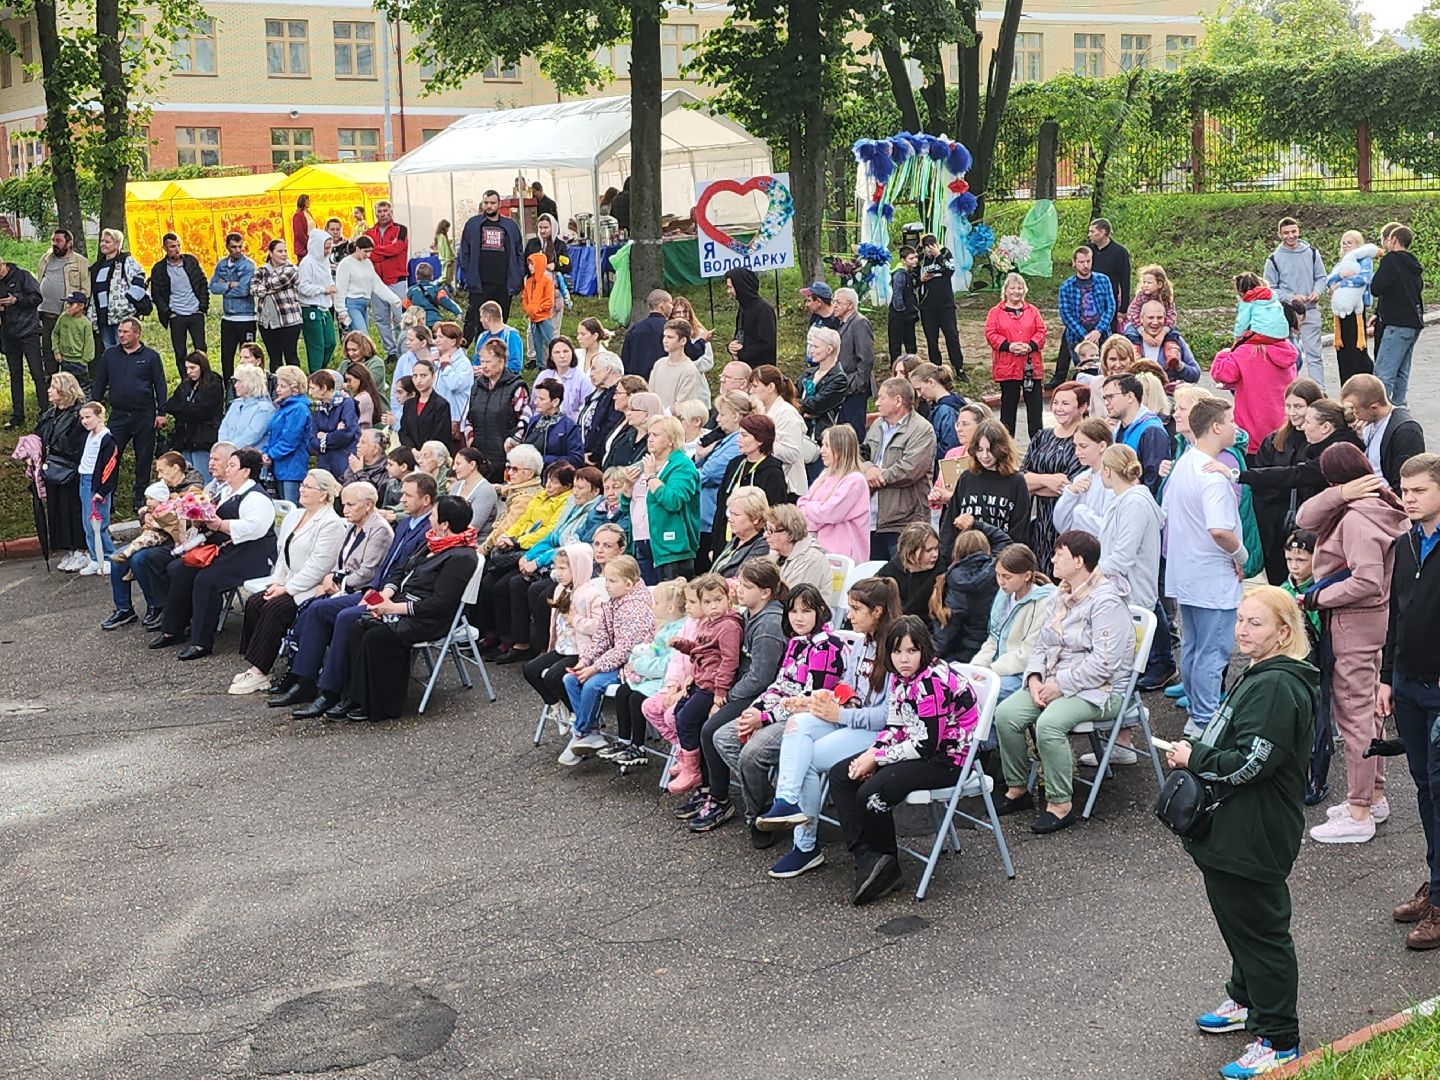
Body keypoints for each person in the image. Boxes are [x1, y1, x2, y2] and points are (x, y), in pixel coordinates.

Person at [1169, 587, 1316, 1080]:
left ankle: (1278, 1039)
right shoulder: (1262, 672)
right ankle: (1245, 998)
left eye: (1255, 623)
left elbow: (1254, 761)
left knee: (1262, 933)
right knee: (1240, 924)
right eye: (1240, 620)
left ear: (1284, 631)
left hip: (1255, 834)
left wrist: (1197, 759)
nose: (1241, 631)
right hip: (1233, 829)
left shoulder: (1278, 686)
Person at [1294, 445, 1407, 844]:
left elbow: (1367, 581)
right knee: (1368, 710)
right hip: (1369, 624)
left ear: (1333, 479)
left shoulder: (1359, 520)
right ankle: (1373, 796)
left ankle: (1359, 810)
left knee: (1354, 713)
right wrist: (1342, 494)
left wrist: (1316, 598)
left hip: (1354, 625)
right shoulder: (1371, 507)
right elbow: (1306, 518)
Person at [827, 616, 980, 903]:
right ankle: (868, 857)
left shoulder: (932, 682)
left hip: (947, 759)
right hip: (916, 748)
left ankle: (888, 863)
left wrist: (878, 758)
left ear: (925, 649)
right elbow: (895, 725)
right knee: (842, 775)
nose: (904, 659)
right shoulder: (900, 677)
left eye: (912, 651)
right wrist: (873, 752)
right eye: (897, 652)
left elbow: (926, 744)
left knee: (872, 792)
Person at [993, 529, 1134, 834]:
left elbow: (1105, 664)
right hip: (1057, 680)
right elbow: (1041, 645)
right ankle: (1018, 789)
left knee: (1049, 724)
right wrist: (1034, 678)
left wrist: (1060, 684)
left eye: (1060, 553)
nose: (1052, 557)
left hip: (1102, 690)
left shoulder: (1107, 601)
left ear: (1079, 561)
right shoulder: (1062, 592)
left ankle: (1060, 804)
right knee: (1005, 714)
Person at [279, 472, 439, 716]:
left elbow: (396, 571)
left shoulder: (424, 528)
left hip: (391, 595)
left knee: (345, 616)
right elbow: (385, 568)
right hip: (378, 588)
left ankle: (330, 691)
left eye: (407, 495)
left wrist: (373, 591)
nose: (401, 499)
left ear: (425, 500)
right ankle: (304, 680)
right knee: (316, 609)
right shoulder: (406, 522)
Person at [340, 494, 478, 723]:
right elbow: (401, 568)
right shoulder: (432, 541)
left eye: (433, 515)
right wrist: (386, 595)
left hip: (429, 617)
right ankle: (356, 695)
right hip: (402, 602)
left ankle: (380, 704)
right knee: (358, 628)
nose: (430, 518)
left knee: (376, 636)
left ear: (445, 524)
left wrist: (394, 608)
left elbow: (440, 603)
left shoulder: (462, 557)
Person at [1380, 453, 1440, 948]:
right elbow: (1396, 617)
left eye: (1419, 489)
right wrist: (1385, 678)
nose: (1408, 497)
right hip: (1406, 684)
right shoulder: (1405, 544)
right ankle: (1436, 881)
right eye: (1404, 488)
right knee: (1422, 787)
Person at [683, 560, 789, 831]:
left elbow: (761, 677)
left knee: (711, 730)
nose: (738, 590)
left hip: (759, 692)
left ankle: (720, 800)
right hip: (738, 685)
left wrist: (727, 696)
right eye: (740, 583)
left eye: (747, 586)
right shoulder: (749, 614)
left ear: (765, 593)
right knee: (692, 716)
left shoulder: (769, 626)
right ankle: (709, 788)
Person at [1164, 398, 1247, 740]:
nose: (1235, 427)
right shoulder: (1211, 477)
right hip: (1213, 576)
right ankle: (1205, 719)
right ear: (1215, 426)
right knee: (1213, 653)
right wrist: (1241, 555)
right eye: (1230, 420)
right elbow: (1220, 530)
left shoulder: (1185, 463)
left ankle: (1196, 716)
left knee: (1194, 648)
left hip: (1186, 572)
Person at [151, 447, 279, 660]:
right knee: (181, 569)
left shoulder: (256, 497)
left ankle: (202, 642)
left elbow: (255, 528)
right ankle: (173, 628)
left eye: (232, 465)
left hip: (251, 554)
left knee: (206, 580)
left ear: (246, 471)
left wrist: (221, 524)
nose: (227, 469)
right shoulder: (227, 490)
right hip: (225, 549)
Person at [227, 469, 348, 694]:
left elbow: (318, 567)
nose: (301, 489)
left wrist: (287, 589)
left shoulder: (330, 523)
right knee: (256, 602)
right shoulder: (297, 516)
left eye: (308, 487)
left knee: (275, 608)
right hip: (290, 581)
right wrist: (277, 583)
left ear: (323, 495)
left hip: (312, 587)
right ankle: (256, 663)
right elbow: (283, 554)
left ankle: (259, 671)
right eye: (302, 484)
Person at [1238, 396, 1365, 581]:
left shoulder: (1336, 454)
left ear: (1326, 427)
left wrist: (1243, 476)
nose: (1302, 426)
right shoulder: (1333, 446)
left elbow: (1297, 474)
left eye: (1307, 421)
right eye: (1288, 406)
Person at [559, 555, 656, 761]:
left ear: (628, 584)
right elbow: (602, 637)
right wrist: (584, 661)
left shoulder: (634, 609)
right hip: (612, 659)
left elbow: (624, 650)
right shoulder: (614, 603)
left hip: (631, 664)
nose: (607, 586)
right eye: (606, 581)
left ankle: (579, 733)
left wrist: (594, 669)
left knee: (592, 684)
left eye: (612, 581)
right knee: (570, 679)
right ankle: (591, 731)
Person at [1099, 442, 1174, 703]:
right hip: (1127, 585)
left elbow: (1123, 554)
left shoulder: (1134, 504)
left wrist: (1093, 576)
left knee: (1133, 645)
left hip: (1131, 586)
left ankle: (1160, 665)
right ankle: (1161, 663)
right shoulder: (1125, 499)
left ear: (1108, 471)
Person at [92, 317, 168, 514]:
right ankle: (108, 497)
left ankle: (140, 499)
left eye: (126, 332)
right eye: (120, 332)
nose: (122, 335)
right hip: (118, 415)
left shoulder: (150, 356)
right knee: (111, 456)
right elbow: (100, 382)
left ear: (137, 333)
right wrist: (94, 408)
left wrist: (161, 412)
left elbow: (160, 384)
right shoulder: (110, 355)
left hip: (144, 415)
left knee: (143, 459)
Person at [863, 376, 937, 561]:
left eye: (882, 398)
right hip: (873, 519)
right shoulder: (877, 426)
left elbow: (910, 469)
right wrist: (868, 469)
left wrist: (877, 477)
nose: (877, 403)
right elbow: (862, 454)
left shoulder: (922, 430)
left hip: (904, 522)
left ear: (898, 401)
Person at [971, 544, 1056, 701]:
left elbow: (1027, 654)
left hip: (1025, 673)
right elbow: (993, 639)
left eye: (1007, 577)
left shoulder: (1043, 603)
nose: (1001, 582)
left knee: (987, 693)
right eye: (998, 575)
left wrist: (990, 670)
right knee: (966, 687)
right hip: (999, 668)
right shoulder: (1003, 595)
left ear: (1027, 575)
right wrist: (977, 667)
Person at [1211, 309, 1301, 453]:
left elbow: (1221, 373)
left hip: (1252, 434)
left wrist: (1225, 353)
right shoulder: (1288, 350)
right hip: (1283, 431)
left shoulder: (1245, 352)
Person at [941, 419, 1030, 559]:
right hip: (965, 560)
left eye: (990, 450)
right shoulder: (967, 478)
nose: (985, 456)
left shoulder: (1016, 481)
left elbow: (1019, 531)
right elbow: (950, 523)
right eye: (980, 450)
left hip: (1001, 561)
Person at [1021, 382, 1086, 570]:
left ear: (1082, 407)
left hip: (1068, 520)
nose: (1059, 408)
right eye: (1056, 403)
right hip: (1040, 521)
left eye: (1065, 404)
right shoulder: (1043, 436)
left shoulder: (1084, 440)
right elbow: (1020, 478)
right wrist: (1046, 480)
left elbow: (1070, 486)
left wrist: (1035, 482)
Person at [713, 412, 790, 560]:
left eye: (744, 435)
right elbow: (721, 505)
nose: (739, 440)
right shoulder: (735, 464)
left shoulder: (772, 471)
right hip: (726, 540)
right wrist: (714, 545)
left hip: (756, 544)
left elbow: (775, 512)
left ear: (760, 439)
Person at [634, 415, 701, 582]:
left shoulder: (682, 465)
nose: (650, 439)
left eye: (656, 435)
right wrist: (627, 491)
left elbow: (674, 500)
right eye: (649, 434)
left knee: (670, 602)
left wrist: (651, 478)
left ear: (671, 439)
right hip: (644, 541)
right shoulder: (648, 463)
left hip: (673, 549)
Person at [1264, 216, 1328, 388]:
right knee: (1289, 355)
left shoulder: (1312, 253)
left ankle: (1319, 390)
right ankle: (1289, 389)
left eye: (1293, 231)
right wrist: (1290, 297)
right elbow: (1270, 288)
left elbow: (1321, 277)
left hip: (1310, 309)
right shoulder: (1273, 259)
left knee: (1314, 354)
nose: (1291, 236)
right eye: (1286, 233)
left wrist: (1317, 291)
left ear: (1298, 231)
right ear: (1279, 234)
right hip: (1287, 313)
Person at [36, 371, 88, 572]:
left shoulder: (78, 414)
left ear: (65, 390)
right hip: (52, 469)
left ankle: (81, 550)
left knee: (73, 510)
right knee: (57, 511)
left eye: (53, 387)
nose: (49, 390)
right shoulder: (49, 415)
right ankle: (68, 548)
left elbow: (78, 444)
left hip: (71, 469)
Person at [797, 423, 870, 565]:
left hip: (841, 557)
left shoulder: (855, 480)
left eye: (827, 446)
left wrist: (811, 510)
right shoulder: (825, 474)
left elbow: (830, 513)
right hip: (817, 552)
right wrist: (816, 511)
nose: (821, 451)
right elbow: (801, 504)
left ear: (841, 448)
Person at [985, 272, 1047, 437]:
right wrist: (1009, 346)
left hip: (1031, 366)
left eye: (1020, 288)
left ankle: (1037, 446)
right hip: (1007, 366)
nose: (1016, 291)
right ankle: (1006, 446)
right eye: (1012, 288)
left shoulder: (1033, 311)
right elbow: (991, 334)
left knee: (1035, 410)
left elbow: (1041, 331)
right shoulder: (995, 312)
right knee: (1008, 408)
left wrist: (1030, 345)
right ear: (1005, 290)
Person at [1339, 373, 1426, 490]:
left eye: (1356, 412)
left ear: (1374, 408)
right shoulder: (1365, 424)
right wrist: (1356, 438)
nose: (1353, 417)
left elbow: (1406, 480)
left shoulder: (1405, 431)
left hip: (1387, 500)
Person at [1370, 225, 1425, 408]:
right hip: (1413, 322)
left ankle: (1381, 411)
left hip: (1397, 323)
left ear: (1393, 240)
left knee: (1384, 371)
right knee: (1402, 369)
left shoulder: (1391, 260)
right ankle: (1399, 405)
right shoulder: (1413, 264)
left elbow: (1376, 287)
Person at [932, 529, 1003, 662]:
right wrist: (977, 524)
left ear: (957, 551)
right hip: (994, 647)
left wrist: (931, 653)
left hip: (964, 651)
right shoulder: (998, 573)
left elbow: (951, 623)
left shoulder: (955, 580)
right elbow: (1004, 540)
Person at [459, 189, 526, 330]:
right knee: (476, 319)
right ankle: (476, 346)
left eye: (492, 203)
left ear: (499, 204)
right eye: (486, 203)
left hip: (503, 282)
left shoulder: (510, 226)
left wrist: (519, 275)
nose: (489, 206)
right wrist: (467, 273)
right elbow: (464, 251)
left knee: (501, 318)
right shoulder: (473, 224)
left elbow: (519, 252)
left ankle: (498, 346)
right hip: (479, 282)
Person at [1055, 246, 1115, 390]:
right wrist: (1084, 335)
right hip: (1077, 337)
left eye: (1088, 261)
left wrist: (1099, 330)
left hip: (1102, 335)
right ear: (1074, 262)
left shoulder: (1103, 280)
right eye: (1081, 262)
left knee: (1106, 371)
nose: (1086, 265)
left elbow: (1111, 306)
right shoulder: (1067, 286)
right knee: (1084, 373)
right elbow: (1066, 314)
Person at [0, 250, 46, 431]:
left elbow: (37, 297)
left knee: (37, 373)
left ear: (4, 265)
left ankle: (45, 411)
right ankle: (17, 415)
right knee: (15, 375)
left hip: (28, 331)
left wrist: (15, 300)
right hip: (8, 334)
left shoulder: (23, 276)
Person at [1102, 373, 1169, 497]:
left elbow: (1154, 482)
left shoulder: (1151, 430)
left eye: (1110, 397)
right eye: (1104, 398)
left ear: (1130, 397)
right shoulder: (1118, 429)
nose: (1106, 403)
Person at [149, 232, 209, 363]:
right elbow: (157, 294)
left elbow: (202, 283)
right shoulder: (159, 269)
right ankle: (185, 380)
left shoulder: (191, 261)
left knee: (201, 350)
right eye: (172, 246)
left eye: (178, 246)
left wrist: (202, 307)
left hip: (195, 312)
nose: (176, 249)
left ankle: (205, 379)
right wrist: (168, 313)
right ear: (164, 248)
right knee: (180, 352)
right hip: (176, 314)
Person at [35, 228, 89, 374]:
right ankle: (52, 384)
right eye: (53, 240)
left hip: (68, 316)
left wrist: (75, 309)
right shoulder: (46, 259)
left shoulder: (80, 262)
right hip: (46, 316)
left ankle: (70, 386)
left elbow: (85, 290)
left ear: (69, 243)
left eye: (58, 241)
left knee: (68, 354)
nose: (54, 244)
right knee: (48, 351)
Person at [165, 351, 225, 483]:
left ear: (202, 366)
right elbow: (170, 405)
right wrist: (187, 408)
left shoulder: (213, 383)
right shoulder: (186, 384)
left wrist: (183, 408)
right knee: (189, 479)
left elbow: (202, 411)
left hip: (203, 438)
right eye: (187, 368)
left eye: (193, 368)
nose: (189, 372)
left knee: (203, 477)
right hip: (185, 439)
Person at [750, 364, 809, 497]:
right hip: (767, 480)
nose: (751, 391)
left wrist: (761, 442)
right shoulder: (762, 410)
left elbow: (792, 452)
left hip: (788, 487)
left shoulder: (787, 414)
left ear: (771, 387)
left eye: (755, 386)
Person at [75, 400, 119, 575]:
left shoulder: (107, 439)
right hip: (84, 479)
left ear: (100, 416)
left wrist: (102, 490)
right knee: (88, 523)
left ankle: (108, 557)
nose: (85, 421)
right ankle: (95, 558)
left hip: (96, 483)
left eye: (88, 417)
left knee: (98, 523)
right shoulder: (88, 435)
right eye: (82, 418)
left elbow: (110, 467)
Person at [1328, 230, 1377, 383]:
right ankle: (1346, 385)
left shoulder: (1364, 261)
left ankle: (1365, 384)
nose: (1346, 245)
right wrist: (1336, 282)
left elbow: (1363, 279)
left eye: (1350, 242)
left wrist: (1341, 283)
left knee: (1357, 350)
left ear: (1358, 245)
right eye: (1344, 242)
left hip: (1356, 311)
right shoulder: (1340, 264)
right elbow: (1330, 281)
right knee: (1343, 351)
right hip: (1340, 313)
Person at [363, 201, 409, 361]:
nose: (383, 213)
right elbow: (367, 254)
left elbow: (397, 249)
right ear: (375, 213)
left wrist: (377, 250)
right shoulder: (368, 232)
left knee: (400, 317)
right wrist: (385, 251)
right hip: (376, 282)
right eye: (379, 211)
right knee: (381, 318)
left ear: (391, 211)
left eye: (385, 210)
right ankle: (391, 351)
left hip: (397, 279)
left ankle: (404, 348)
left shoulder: (401, 229)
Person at [260, 366, 313, 503]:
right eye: (278, 385)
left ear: (294, 388)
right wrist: (265, 452)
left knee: (290, 506)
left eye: (283, 386)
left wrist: (270, 454)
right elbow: (273, 435)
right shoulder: (284, 407)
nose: (278, 389)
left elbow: (290, 439)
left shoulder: (299, 409)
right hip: (279, 465)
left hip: (292, 468)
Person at [88, 228, 146, 352]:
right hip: (103, 317)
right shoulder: (97, 266)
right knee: (110, 352)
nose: (103, 244)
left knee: (126, 349)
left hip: (121, 316)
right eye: (102, 241)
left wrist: (130, 299)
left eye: (107, 242)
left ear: (117, 244)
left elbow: (139, 276)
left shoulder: (126, 260)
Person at [1054, 418, 1115, 536]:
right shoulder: (1081, 479)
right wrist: (1070, 494)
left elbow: (1111, 530)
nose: (1077, 452)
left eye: (1083, 446)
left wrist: (1081, 514)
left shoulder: (1114, 481)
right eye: (1076, 446)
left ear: (1102, 446)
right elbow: (1062, 526)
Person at [208, 233, 257, 380]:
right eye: (233, 247)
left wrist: (224, 288)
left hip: (246, 316)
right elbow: (213, 287)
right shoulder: (222, 264)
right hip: (228, 318)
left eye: (240, 246)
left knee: (248, 358)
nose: (237, 250)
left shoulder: (248, 265)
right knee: (226, 357)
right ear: (227, 247)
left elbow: (243, 290)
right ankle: (228, 387)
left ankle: (249, 384)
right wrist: (229, 284)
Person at [251, 239, 303, 370]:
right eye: (280, 251)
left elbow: (280, 282)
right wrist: (268, 288)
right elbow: (253, 289)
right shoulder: (261, 270)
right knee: (274, 358)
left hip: (289, 321)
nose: (284, 254)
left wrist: (265, 287)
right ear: (271, 252)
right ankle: (276, 386)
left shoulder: (292, 269)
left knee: (291, 356)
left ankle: (296, 386)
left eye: (285, 251)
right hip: (267, 323)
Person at [1123, 300, 1201, 386]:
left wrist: (1179, 366)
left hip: (1168, 396)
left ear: (1165, 319)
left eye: (1159, 318)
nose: (1155, 322)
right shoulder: (1128, 341)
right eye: (1151, 317)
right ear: (1141, 318)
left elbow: (1195, 375)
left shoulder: (1176, 340)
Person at [877, 522, 944, 619]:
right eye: (929, 550)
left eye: (936, 548)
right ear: (910, 551)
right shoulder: (888, 573)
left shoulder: (942, 569)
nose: (935, 554)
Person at [917, 234, 963, 370]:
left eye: (932, 247)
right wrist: (921, 279)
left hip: (946, 305)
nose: (929, 251)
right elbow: (913, 277)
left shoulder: (946, 253)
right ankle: (936, 367)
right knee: (931, 339)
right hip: (927, 306)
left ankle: (958, 367)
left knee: (952, 336)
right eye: (926, 248)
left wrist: (938, 256)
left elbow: (950, 271)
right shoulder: (921, 259)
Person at [297, 227, 339, 373]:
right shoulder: (307, 264)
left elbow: (327, 279)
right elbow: (303, 287)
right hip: (311, 308)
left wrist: (332, 286)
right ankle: (315, 372)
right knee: (317, 344)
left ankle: (322, 368)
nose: (328, 251)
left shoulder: (325, 261)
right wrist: (323, 289)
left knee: (330, 342)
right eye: (325, 248)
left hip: (325, 307)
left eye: (329, 248)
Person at [763, 503, 829, 593]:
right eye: (765, 529)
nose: (765, 535)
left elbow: (794, 598)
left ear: (788, 532)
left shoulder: (812, 559)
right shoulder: (775, 555)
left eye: (770, 530)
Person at [305, 369, 358, 479]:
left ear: (324, 388)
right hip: (324, 463)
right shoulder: (317, 407)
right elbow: (312, 438)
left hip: (343, 461)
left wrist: (324, 437)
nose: (310, 393)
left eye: (312, 388)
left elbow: (346, 434)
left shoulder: (346, 403)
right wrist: (334, 433)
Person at [711, 486, 771, 579]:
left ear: (755, 518)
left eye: (736, 514)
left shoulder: (762, 545)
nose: (730, 519)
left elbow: (742, 578)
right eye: (730, 514)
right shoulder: (736, 540)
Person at [648, 318, 706, 413]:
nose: (665, 341)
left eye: (670, 337)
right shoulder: (659, 364)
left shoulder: (689, 370)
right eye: (664, 336)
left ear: (683, 341)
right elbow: (651, 394)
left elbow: (683, 405)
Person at [578, 353, 624, 466]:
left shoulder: (619, 395)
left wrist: (594, 454)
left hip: (603, 460)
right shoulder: (602, 394)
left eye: (594, 368)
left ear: (608, 369)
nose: (591, 374)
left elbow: (609, 427)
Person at [534, 336, 593, 425]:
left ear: (572, 354)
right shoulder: (543, 376)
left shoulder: (583, 380)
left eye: (566, 351)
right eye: (557, 352)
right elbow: (533, 403)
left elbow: (586, 410)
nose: (562, 356)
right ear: (551, 357)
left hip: (570, 429)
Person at [724, 268, 777, 367]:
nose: (728, 291)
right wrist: (731, 346)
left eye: (730, 287)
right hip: (744, 366)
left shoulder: (763, 310)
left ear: (740, 286)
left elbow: (767, 345)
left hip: (761, 370)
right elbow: (741, 335)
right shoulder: (743, 308)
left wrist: (741, 353)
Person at [1087, 217, 1131, 333]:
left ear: (1102, 232)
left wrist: (1123, 308)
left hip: (1109, 301)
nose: (1089, 235)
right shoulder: (1088, 250)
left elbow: (1125, 280)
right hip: (1088, 299)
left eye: (1092, 231)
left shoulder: (1120, 252)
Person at [219, 364, 276, 452]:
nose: (235, 386)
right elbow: (224, 427)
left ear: (249, 383)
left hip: (250, 458)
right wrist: (222, 447)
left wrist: (230, 449)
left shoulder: (264, 409)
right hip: (229, 457)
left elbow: (252, 435)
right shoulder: (235, 404)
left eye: (239, 381)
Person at [618, 289, 670, 379]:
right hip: (663, 379)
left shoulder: (634, 329)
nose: (672, 307)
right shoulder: (669, 328)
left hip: (637, 381)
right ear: (662, 305)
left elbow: (625, 359)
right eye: (670, 303)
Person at [887, 246, 920, 365]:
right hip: (900, 314)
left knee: (910, 340)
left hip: (907, 313)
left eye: (915, 257)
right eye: (911, 258)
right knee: (897, 342)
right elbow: (897, 294)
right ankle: (896, 366)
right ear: (903, 260)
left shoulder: (907, 272)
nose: (915, 260)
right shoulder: (899, 274)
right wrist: (902, 310)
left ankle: (911, 365)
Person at [472, 300, 525, 375]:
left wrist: (491, 370)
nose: (480, 320)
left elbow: (515, 365)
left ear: (487, 318)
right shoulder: (482, 336)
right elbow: (476, 361)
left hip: (505, 382)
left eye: (481, 317)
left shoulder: (511, 335)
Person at [406, 262, 462, 329]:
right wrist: (458, 312)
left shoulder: (411, 291)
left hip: (418, 323)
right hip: (434, 322)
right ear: (432, 276)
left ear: (416, 276)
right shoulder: (436, 289)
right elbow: (447, 302)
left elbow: (406, 308)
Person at [52, 291, 93, 380]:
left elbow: (89, 344)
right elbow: (55, 334)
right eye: (67, 303)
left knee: (81, 389)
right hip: (64, 360)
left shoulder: (86, 323)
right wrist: (56, 351)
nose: (67, 306)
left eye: (71, 304)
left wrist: (84, 361)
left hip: (79, 362)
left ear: (81, 306)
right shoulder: (63, 317)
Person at [1124, 263, 1175, 332]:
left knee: (1174, 335)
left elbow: (1171, 314)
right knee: (1130, 332)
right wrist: (1141, 329)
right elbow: (1132, 311)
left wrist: (1165, 330)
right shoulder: (1141, 297)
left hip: (1160, 326)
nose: (1145, 285)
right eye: (1144, 282)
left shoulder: (1165, 298)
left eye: (1149, 283)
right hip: (1140, 326)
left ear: (1159, 284)